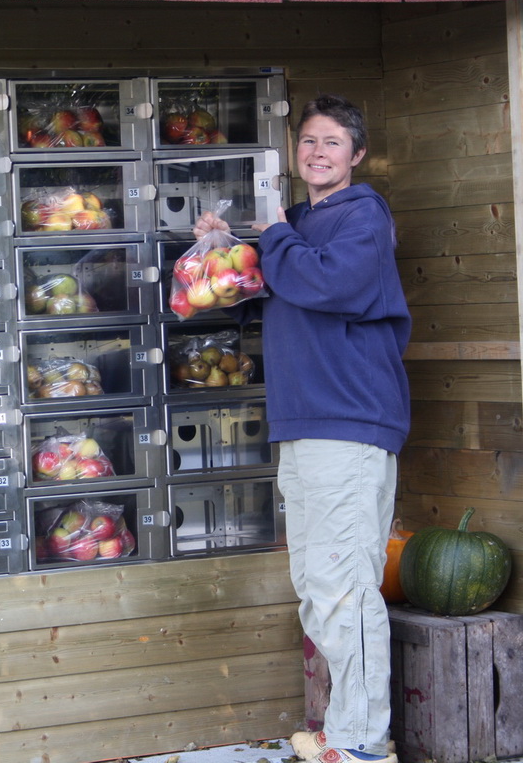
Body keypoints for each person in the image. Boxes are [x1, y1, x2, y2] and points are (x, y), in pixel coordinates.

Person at [192, 94, 410, 763]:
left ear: (358, 155)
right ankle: (345, 733)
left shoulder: (361, 215)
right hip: (308, 423)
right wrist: (221, 253)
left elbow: (331, 285)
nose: (317, 152)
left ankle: (365, 742)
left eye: (332, 143)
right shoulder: (309, 223)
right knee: (319, 588)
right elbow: (275, 284)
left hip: (348, 421)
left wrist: (275, 232)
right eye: (308, 141)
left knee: (344, 585)